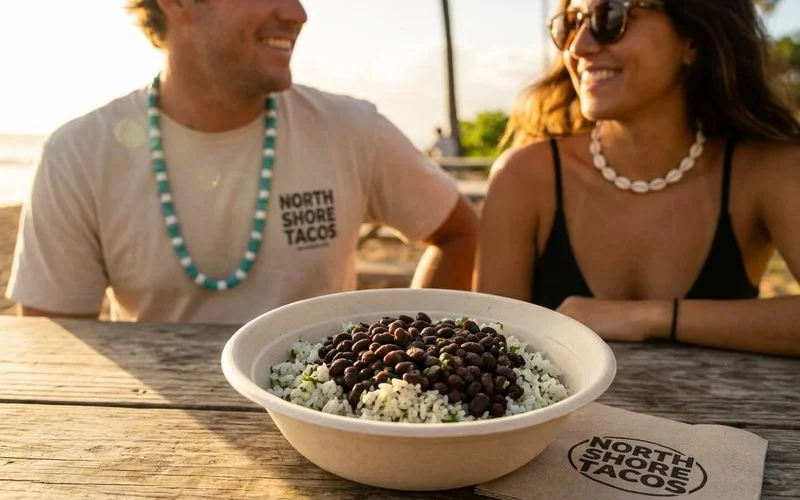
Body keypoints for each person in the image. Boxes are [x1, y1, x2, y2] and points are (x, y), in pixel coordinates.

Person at [6, 0, 478, 324]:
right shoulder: (78, 155)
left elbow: (460, 231)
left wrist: (415, 351)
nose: (298, 13)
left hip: (326, 431)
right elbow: (60, 348)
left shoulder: (352, 129)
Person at [475, 0, 800, 356]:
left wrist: (650, 316)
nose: (579, 46)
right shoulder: (523, 177)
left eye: (610, 17)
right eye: (570, 23)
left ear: (690, 39)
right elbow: (490, 348)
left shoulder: (765, 169)